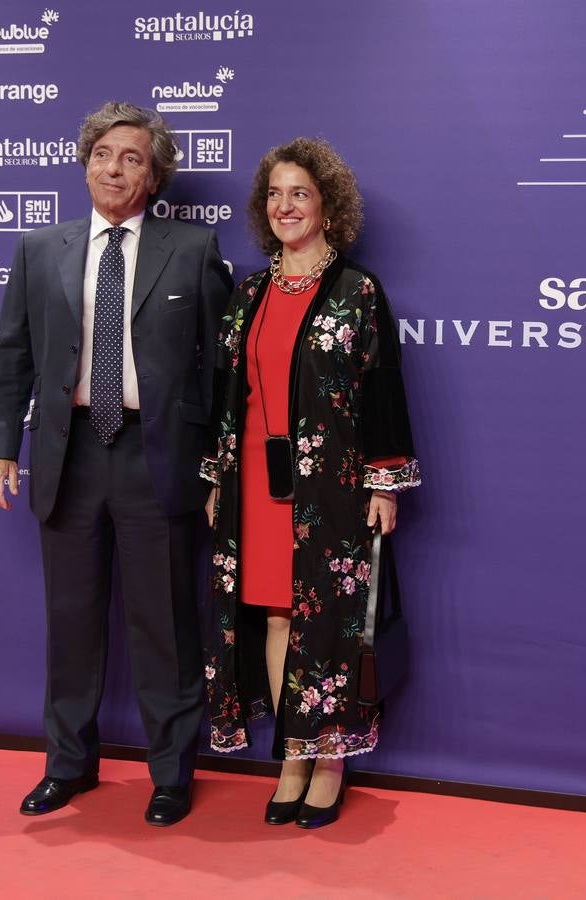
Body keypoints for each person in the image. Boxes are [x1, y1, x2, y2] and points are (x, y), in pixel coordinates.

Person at [0, 101, 232, 826]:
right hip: (72, 451)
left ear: (154, 176)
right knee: (72, 621)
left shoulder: (191, 249)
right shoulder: (39, 249)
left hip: (159, 455)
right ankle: (67, 766)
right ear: (84, 162)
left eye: (132, 159)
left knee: (165, 623)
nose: (113, 168)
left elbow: (217, 368)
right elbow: (12, 357)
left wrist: (215, 462)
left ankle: (171, 774)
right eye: (102, 155)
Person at [200, 138, 420, 829]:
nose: (285, 206)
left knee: (325, 622)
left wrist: (384, 483)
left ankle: (330, 761)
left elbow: (382, 391)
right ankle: (291, 755)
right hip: (254, 488)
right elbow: (224, 393)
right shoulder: (248, 292)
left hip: (332, 485)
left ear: (327, 205)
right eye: (274, 194)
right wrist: (214, 479)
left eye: (299, 193)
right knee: (271, 613)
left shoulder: (359, 291)